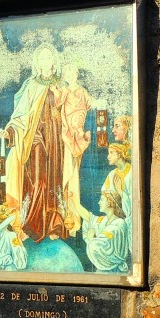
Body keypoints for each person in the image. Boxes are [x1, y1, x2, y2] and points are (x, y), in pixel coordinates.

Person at [0, 43, 70, 243]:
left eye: (49, 58)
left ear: (54, 62)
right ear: (37, 63)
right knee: (38, 180)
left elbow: (72, 111)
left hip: (56, 138)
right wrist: (11, 132)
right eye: (42, 58)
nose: (46, 61)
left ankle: (54, 224)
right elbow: (20, 115)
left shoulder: (62, 86)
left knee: (54, 181)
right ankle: (32, 225)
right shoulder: (31, 86)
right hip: (35, 138)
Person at [57, 63, 102, 236]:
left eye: (72, 72)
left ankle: (75, 219)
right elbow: (56, 106)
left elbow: (92, 103)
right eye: (67, 72)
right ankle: (67, 216)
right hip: (67, 135)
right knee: (67, 173)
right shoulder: (64, 91)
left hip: (79, 135)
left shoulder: (82, 92)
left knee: (74, 173)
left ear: (76, 74)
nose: (70, 75)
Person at [73, 190, 130, 274]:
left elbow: (99, 246)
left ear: (109, 203)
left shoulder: (118, 224)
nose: (99, 202)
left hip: (114, 272)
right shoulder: (104, 220)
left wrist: (90, 239)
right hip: (104, 271)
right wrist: (73, 200)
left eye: (102, 200)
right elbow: (89, 218)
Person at [101, 143, 133, 224]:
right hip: (117, 220)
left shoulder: (132, 172)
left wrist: (120, 192)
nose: (108, 157)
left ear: (119, 155)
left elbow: (134, 204)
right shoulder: (112, 175)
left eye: (111, 153)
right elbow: (105, 196)